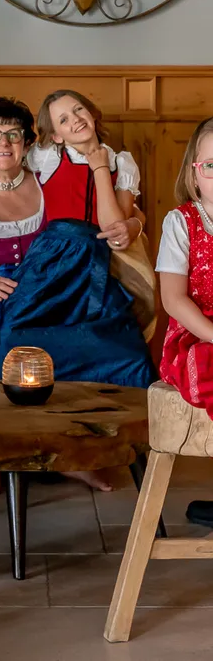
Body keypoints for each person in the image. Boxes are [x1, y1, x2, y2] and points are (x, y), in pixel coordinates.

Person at [0, 93, 155, 490]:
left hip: (52, 288)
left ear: (29, 143)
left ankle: (75, 448)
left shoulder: (43, 176)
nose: (3, 143)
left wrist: (135, 222)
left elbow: (119, 214)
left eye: (14, 134)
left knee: (106, 339)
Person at [156, 117, 213, 528]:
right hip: (197, 331)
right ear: (194, 175)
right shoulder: (182, 222)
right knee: (208, 364)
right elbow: (174, 299)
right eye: (212, 165)